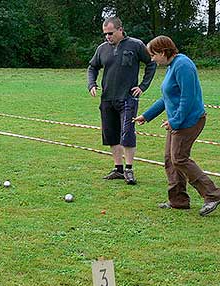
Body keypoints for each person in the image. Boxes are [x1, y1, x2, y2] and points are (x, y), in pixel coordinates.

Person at [134, 35, 220, 216]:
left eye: (153, 55)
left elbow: (187, 99)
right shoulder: (172, 66)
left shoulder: (183, 65)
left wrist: (175, 121)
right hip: (178, 122)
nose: (152, 59)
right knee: (170, 159)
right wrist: (146, 116)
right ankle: (178, 200)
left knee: (179, 158)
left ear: (164, 52)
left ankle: (212, 194)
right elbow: (167, 97)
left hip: (190, 121)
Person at [87, 16, 156, 184]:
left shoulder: (136, 45)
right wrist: (92, 84)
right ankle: (117, 168)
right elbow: (92, 67)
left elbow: (151, 63)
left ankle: (129, 169)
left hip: (128, 98)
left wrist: (143, 86)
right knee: (111, 134)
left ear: (120, 30)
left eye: (110, 33)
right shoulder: (102, 49)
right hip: (107, 99)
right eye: (105, 34)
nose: (107, 37)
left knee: (127, 134)